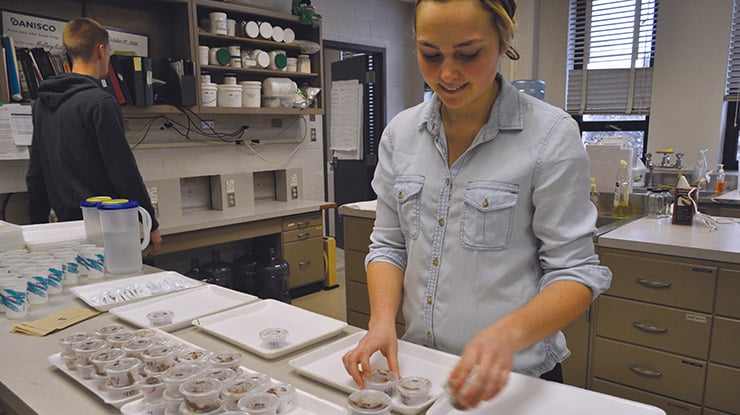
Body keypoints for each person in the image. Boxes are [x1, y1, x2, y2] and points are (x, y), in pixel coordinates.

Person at [341, 0, 612, 409]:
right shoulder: (400, 134)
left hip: (515, 377)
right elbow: (389, 245)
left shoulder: (550, 137)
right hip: (422, 368)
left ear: (504, 42)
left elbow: (575, 273)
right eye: (430, 54)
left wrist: (507, 337)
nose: (447, 73)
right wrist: (381, 321)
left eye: (468, 54)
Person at [26, 17, 161, 255]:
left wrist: (38, 230)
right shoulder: (101, 102)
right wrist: (150, 222)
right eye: (109, 53)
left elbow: (36, 174)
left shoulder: (42, 103)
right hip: (106, 231)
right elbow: (123, 171)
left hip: (64, 232)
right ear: (100, 50)